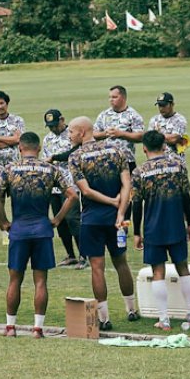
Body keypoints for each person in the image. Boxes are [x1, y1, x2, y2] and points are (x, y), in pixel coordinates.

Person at [0, 131, 77, 338]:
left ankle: (10, 327)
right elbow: (72, 195)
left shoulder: (10, 169)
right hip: (42, 228)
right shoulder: (50, 169)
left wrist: (3, 221)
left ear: (20, 148)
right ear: (38, 148)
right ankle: (38, 328)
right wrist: (57, 219)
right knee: (40, 281)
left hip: (19, 229)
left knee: (15, 280)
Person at [68, 116, 139, 331]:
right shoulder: (117, 151)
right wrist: (120, 211)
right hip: (116, 219)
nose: (69, 135)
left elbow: (86, 190)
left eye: (71, 131)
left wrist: (110, 201)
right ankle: (131, 310)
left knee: (97, 267)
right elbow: (127, 184)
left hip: (91, 219)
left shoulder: (75, 157)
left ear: (82, 133)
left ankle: (104, 318)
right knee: (121, 262)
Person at [131, 130, 190, 331]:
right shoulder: (178, 166)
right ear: (163, 146)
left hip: (153, 227)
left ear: (144, 148)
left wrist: (136, 232)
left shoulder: (139, 172)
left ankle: (164, 319)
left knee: (157, 271)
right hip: (176, 223)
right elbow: (186, 196)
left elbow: (136, 204)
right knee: (183, 267)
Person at [42, 109, 84, 269]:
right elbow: (45, 161)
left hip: (71, 184)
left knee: (73, 219)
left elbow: (74, 153)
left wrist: (55, 158)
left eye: (55, 125)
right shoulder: (47, 139)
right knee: (59, 221)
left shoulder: (72, 134)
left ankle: (83, 255)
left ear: (62, 120)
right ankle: (70, 255)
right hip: (54, 187)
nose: (53, 128)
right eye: (49, 126)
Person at [94, 85, 145, 172]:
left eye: (114, 97)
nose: (111, 100)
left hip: (127, 161)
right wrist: (105, 134)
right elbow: (93, 133)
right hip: (107, 161)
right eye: (110, 97)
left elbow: (140, 136)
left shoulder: (133, 115)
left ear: (123, 98)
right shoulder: (104, 115)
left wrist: (121, 134)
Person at [148, 92, 189, 161]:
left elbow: (174, 139)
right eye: (159, 105)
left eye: (164, 105)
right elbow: (148, 140)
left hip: (176, 162)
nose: (161, 108)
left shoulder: (180, 120)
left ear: (172, 104)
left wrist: (156, 136)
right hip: (157, 162)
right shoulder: (154, 119)